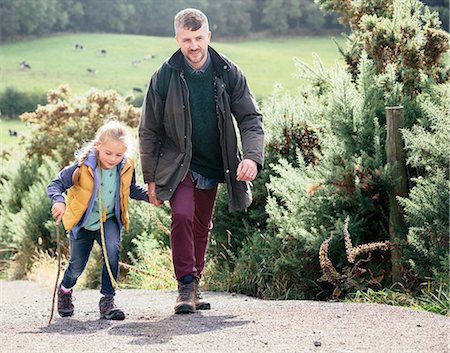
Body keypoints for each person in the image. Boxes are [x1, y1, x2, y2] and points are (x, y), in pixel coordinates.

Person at [139, 8, 264, 314]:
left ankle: (194, 285)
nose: (193, 45)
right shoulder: (164, 75)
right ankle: (184, 286)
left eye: (198, 38)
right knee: (182, 215)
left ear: (208, 36)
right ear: (177, 39)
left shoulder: (228, 72)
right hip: (176, 162)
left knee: (201, 225)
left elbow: (250, 119)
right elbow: (149, 129)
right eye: (186, 39)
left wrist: (252, 157)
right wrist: (150, 177)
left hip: (213, 162)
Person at [47, 120, 149, 320]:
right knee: (76, 266)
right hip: (83, 223)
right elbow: (56, 184)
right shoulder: (82, 166)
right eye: (108, 153)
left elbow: (132, 190)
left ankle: (107, 300)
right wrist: (59, 201)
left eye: (119, 155)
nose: (113, 159)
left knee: (112, 250)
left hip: (109, 220)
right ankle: (65, 291)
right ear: (98, 146)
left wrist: (150, 197)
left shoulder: (126, 165)